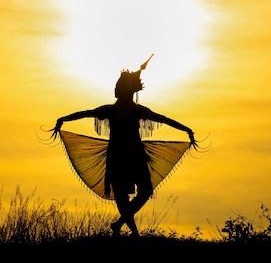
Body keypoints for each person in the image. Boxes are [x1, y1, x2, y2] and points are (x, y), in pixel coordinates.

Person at [49, 55, 197, 237]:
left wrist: (186, 129)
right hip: (119, 155)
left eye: (119, 86)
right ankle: (132, 232)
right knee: (121, 193)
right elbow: (87, 113)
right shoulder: (113, 110)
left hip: (133, 155)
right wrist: (62, 119)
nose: (117, 89)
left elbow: (162, 118)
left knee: (143, 192)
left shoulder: (132, 110)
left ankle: (120, 224)